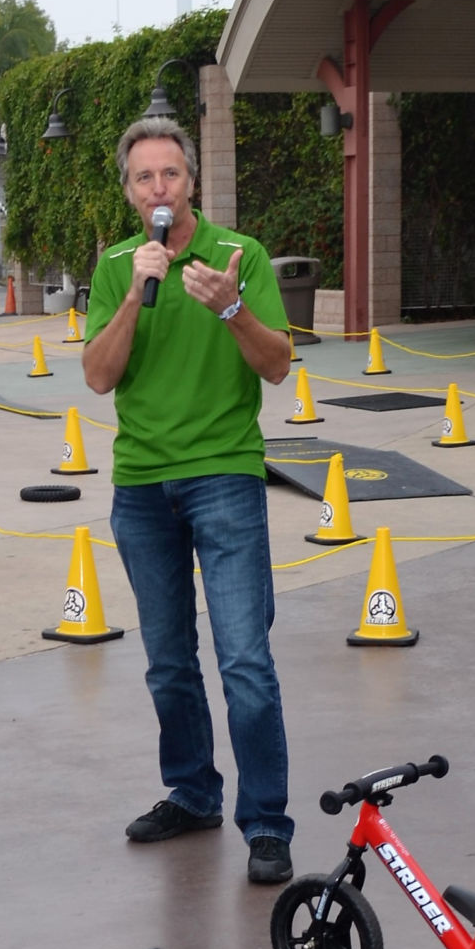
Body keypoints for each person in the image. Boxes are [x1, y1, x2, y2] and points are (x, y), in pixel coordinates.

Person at [83, 117, 297, 885]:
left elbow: (277, 367)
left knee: (244, 659)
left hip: (225, 476)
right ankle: (193, 792)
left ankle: (267, 823)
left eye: (170, 174)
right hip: (142, 486)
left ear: (192, 182)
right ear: (131, 193)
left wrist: (232, 308)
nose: (159, 189)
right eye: (144, 179)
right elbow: (99, 376)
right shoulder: (117, 267)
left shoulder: (241, 257)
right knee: (168, 662)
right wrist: (137, 299)